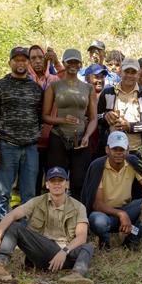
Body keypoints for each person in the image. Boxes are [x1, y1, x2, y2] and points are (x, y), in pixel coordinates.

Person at [0, 167, 95, 284]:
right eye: (53, 181)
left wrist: (64, 251)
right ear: (47, 184)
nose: (57, 184)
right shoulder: (37, 202)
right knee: (15, 227)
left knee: (88, 246)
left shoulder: (78, 206)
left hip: (66, 255)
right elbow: (12, 215)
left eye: (60, 180)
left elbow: (82, 237)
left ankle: (76, 275)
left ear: (67, 184)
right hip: (41, 250)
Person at [0, 47, 44, 226]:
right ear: (10, 62)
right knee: (3, 192)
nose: (20, 63)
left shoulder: (35, 88)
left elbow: (39, 116)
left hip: (30, 148)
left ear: (28, 63)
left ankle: (24, 232)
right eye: (16, 60)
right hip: (7, 146)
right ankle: (1, 231)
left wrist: (33, 134)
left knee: (29, 193)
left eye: (24, 60)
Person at [82, 132, 142, 249]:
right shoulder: (98, 166)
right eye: (115, 149)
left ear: (128, 150)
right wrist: (121, 214)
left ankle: (132, 239)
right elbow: (97, 205)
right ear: (107, 150)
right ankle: (105, 242)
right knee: (98, 221)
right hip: (105, 213)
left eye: (122, 149)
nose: (119, 153)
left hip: (128, 210)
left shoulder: (133, 162)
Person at [43, 49, 97, 200]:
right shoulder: (54, 86)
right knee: (57, 180)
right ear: (64, 63)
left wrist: (87, 135)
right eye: (69, 62)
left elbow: (93, 118)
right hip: (58, 138)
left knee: (79, 181)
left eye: (76, 62)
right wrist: (62, 120)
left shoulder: (88, 88)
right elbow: (45, 116)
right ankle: (55, 211)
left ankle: (78, 213)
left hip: (80, 139)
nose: (73, 65)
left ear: (81, 64)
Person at [99, 57, 142, 164]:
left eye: (133, 72)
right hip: (112, 150)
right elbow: (95, 116)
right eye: (127, 71)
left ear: (138, 74)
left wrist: (130, 126)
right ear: (120, 72)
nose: (129, 75)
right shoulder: (108, 92)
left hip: (137, 150)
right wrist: (105, 116)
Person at [27, 45, 59, 194]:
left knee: (53, 179)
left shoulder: (54, 80)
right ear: (28, 61)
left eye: (41, 57)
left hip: (52, 138)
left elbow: (70, 83)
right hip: (31, 140)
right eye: (33, 58)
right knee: (33, 180)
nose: (38, 61)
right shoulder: (25, 81)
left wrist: (56, 63)